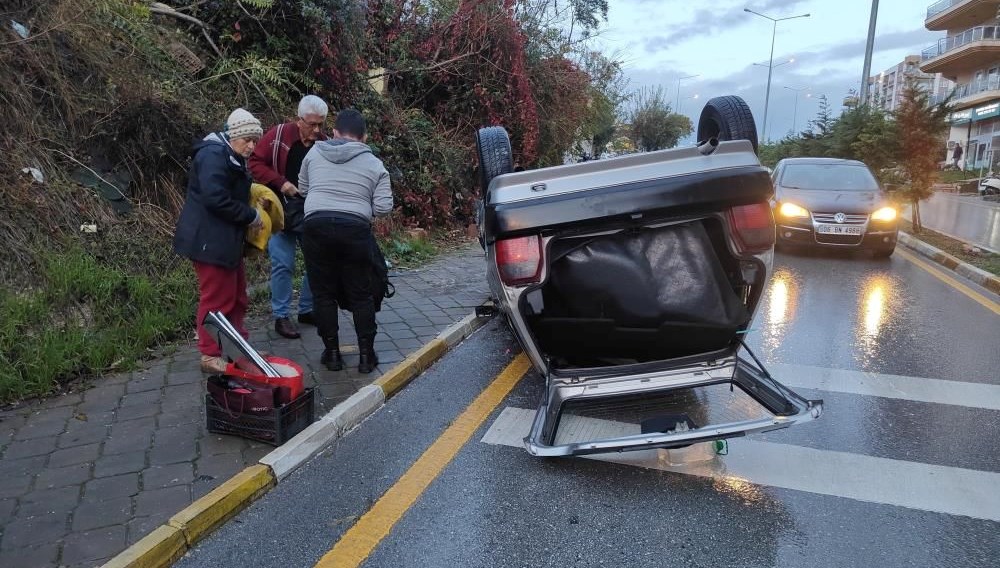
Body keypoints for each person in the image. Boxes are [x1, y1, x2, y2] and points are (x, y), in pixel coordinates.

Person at [299, 109, 393, 373]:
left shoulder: (314, 153)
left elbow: (304, 189)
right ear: (364, 137)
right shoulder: (374, 164)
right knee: (361, 294)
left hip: (316, 226)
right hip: (354, 230)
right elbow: (384, 206)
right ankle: (366, 357)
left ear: (336, 132)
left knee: (323, 293)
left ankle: (332, 355)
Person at [173, 108, 264, 374]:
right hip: (209, 241)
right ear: (232, 136)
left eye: (255, 140)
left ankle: (239, 349)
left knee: (237, 298)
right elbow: (216, 199)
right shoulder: (213, 155)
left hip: (225, 241)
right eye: (246, 139)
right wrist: (250, 216)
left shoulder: (231, 156)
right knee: (216, 300)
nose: (251, 146)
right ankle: (209, 355)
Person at [249, 95, 329, 339]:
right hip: (280, 212)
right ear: (299, 119)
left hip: (311, 212)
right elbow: (254, 163)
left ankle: (306, 309)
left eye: (321, 125)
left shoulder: (324, 144)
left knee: (318, 262)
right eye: (311, 124)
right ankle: (281, 316)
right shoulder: (278, 135)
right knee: (283, 264)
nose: (316, 130)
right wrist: (281, 183)